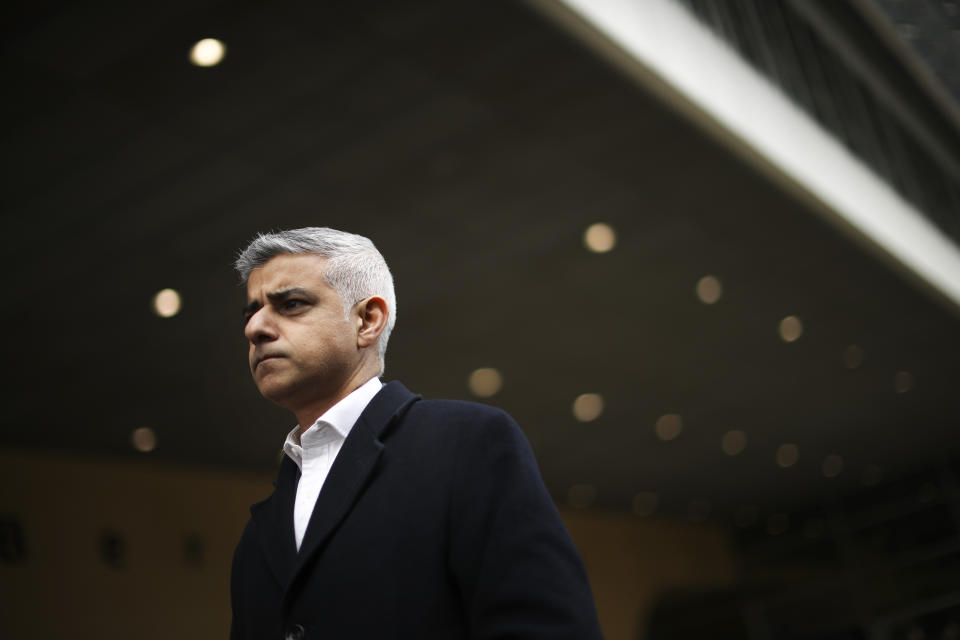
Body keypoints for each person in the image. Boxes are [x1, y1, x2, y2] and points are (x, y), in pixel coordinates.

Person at [229, 227, 603, 640]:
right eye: (252, 311)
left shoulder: (467, 443)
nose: (255, 328)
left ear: (368, 320)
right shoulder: (259, 531)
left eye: (291, 304)